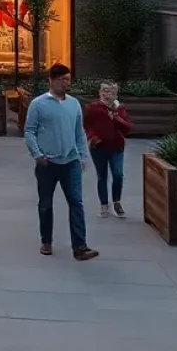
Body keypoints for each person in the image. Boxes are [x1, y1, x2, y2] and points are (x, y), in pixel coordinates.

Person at [24, 63, 98, 261]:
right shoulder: (38, 104)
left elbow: (79, 131)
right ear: (50, 80)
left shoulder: (74, 104)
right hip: (47, 163)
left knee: (76, 202)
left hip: (71, 161)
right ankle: (46, 241)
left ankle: (80, 246)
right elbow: (29, 131)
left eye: (66, 79)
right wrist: (38, 155)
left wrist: (82, 156)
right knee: (46, 204)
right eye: (60, 80)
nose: (64, 83)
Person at [83, 80, 131, 219]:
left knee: (118, 174)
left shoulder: (120, 109)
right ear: (99, 92)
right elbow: (87, 126)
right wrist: (93, 137)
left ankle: (116, 201)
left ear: (116, 94)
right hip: (98, 148)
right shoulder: (92, 108)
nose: (106, 94)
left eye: (110, 91)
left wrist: (116, 118)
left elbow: (127, 128)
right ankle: (104, 204)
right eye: (104, 91)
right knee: (102, 176)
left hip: (116, 147)